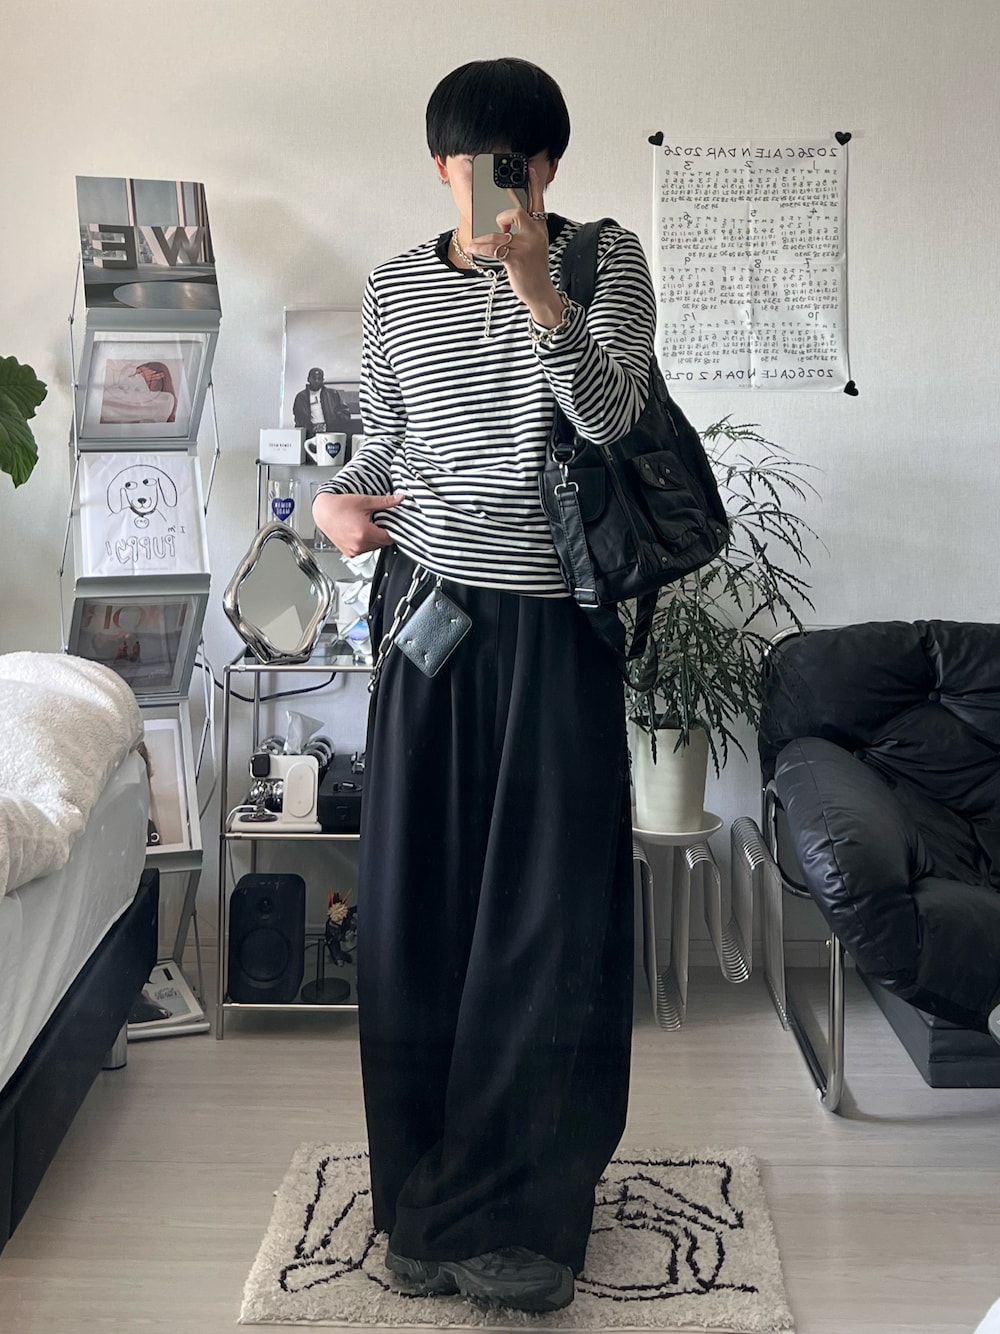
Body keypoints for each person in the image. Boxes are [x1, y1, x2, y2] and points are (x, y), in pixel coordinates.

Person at [312, 57, 656, 1313]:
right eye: (471, 160)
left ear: (548, 166)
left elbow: (616, 419)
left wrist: (538, 291)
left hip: (558, 629)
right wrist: (334, 503)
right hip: (428, 620)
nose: (493, 181)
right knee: (417, 914)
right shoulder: (395, 286)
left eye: (517, 160)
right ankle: (421, 1197)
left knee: (546, 924)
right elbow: (385, 443)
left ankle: (519, 1212)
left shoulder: (604, 263)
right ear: (439, 167)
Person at [292, 367, 350, 440]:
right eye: (314, 378)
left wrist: (336, 423)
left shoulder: (332, 394)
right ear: (308, 379)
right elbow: (298, 417)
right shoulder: (301, 397)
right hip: (310, 434)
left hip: (330, 433)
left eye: (319, 378)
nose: (316, 381)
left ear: (322, 380)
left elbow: (344, 412)